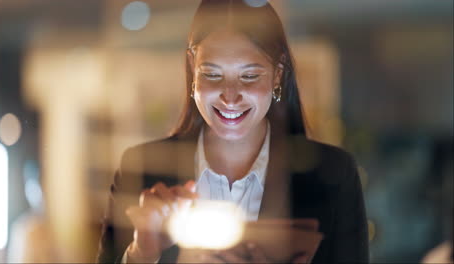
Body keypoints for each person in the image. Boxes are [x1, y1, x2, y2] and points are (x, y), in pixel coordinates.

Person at [97, 0, 369, 263]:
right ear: (193, 68)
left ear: (277, 73)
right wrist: (142, 254)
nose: (230, 97)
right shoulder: (142, 168)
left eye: (249, 76)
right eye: (212, 75)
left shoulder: (331, 175)